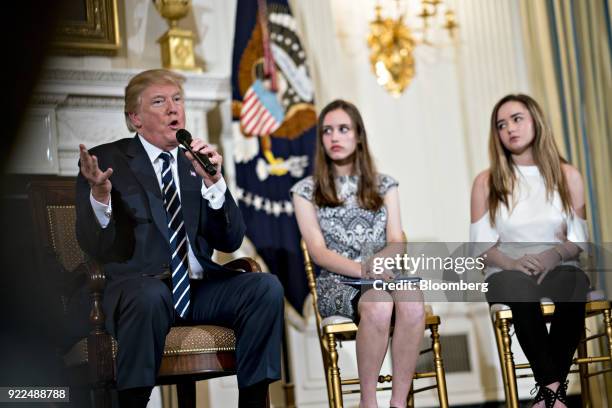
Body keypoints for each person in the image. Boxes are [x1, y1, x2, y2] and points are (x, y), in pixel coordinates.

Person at [75, 69, 284, 408]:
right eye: (159, 102)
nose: (173, 109)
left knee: (265, 288)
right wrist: (100, 196)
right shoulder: (108, 162)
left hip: (198, 290)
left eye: (177, 100)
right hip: (138, 289)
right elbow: (94, 245)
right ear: (135, 118)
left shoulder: (196, 162)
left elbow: (230, 241)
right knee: (150, 296)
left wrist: (214, 184)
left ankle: (254, 403)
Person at [291, 99, 425, 408]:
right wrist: (364, 269)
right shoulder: (305, 190)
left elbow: (396, 240)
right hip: (337, 281)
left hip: (383, 273)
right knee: (378, 306)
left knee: (413, 304)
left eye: (343, 129)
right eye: (327, 131)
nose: (334, 138)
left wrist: (380, 262)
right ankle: (369, 402)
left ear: (359, 135)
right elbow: (318, 252)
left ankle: (398, 402)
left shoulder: (385, 185)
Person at [470, 94, 589, 408]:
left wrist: (553, 256)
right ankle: (554, 391)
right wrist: (512, 262)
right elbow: (481, 247)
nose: (509, 128)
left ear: (536, 120)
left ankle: (548, 397)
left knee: (576, 285)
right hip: (506, 271)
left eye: (517, 119)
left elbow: (579, 239)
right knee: (518, 287)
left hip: (559, 265)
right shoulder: (486, 182)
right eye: (501, 124)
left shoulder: (569, 176)